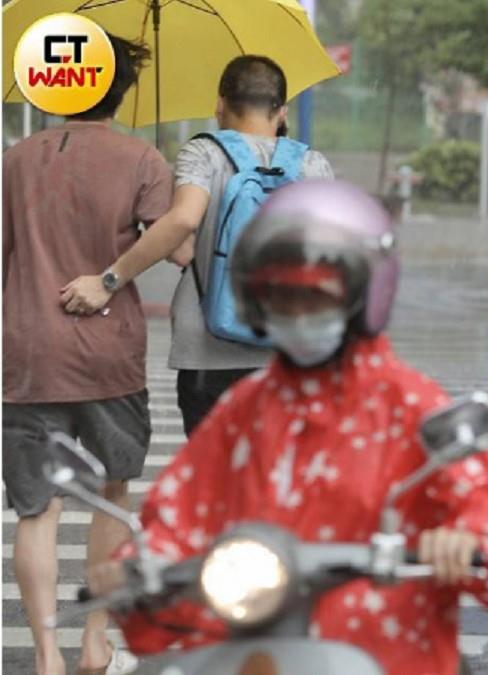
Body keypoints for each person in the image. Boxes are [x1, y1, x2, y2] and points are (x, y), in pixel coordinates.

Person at [86, 180, 488, 675]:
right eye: (282, 298)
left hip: (393, 658)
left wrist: (470, 539)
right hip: (257, 654)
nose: (299, 314)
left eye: (316, 298)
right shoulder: (243, 412)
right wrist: (142, 568)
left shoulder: (412, 407)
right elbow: (178, 517)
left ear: (363, 295)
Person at [60, 55, 334, 435]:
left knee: (212, 466)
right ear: (282, 111)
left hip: (208, 349)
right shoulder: (312, 164)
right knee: (279, 466)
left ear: (220, 104)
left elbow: (183, 224)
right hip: (289, 349)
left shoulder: (204, 153)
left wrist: (109, 280)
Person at [2, 33, 160, 675]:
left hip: (28, 355)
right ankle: (96, 641)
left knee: (36, 508)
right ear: (120, 92)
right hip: (109, 356)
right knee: (112, 494)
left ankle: (47, 657)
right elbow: (177, 245)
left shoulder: (14, 160)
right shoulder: (142, 158)